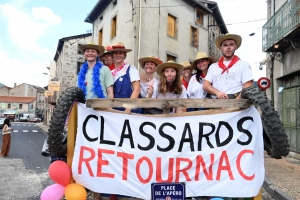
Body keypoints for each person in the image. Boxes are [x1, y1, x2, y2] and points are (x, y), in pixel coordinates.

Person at [203, 33, 254, 99]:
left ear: (235, 47)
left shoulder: (244, 64)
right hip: (216, 102)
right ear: (221, 48)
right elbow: (206, 86)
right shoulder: (213, 66)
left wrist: (236, 102)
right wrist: (217, 92)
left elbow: (248, 86)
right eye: (225, 45)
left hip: (237, 101)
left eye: (231, 44)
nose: (228, 47)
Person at [108, 42, 141, 114]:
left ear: (124, 55)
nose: (118, 55)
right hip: (115, 111)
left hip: (130, 111)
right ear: (112, 56)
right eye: (115, 53)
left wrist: (127, 110)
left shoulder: (131, 69)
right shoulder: (110, 73)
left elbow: (137, 89)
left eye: (120, 53)